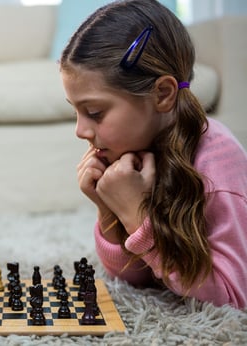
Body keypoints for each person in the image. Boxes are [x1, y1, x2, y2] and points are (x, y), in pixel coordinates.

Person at [59, 0, 247, 309]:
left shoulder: (217, 171)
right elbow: (134, 278)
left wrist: (137, 217)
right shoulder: (133, 150)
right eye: (76, 112)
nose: (80, 130)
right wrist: (108, 211)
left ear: (162, 94)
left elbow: (230, 299)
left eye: (94, 112)